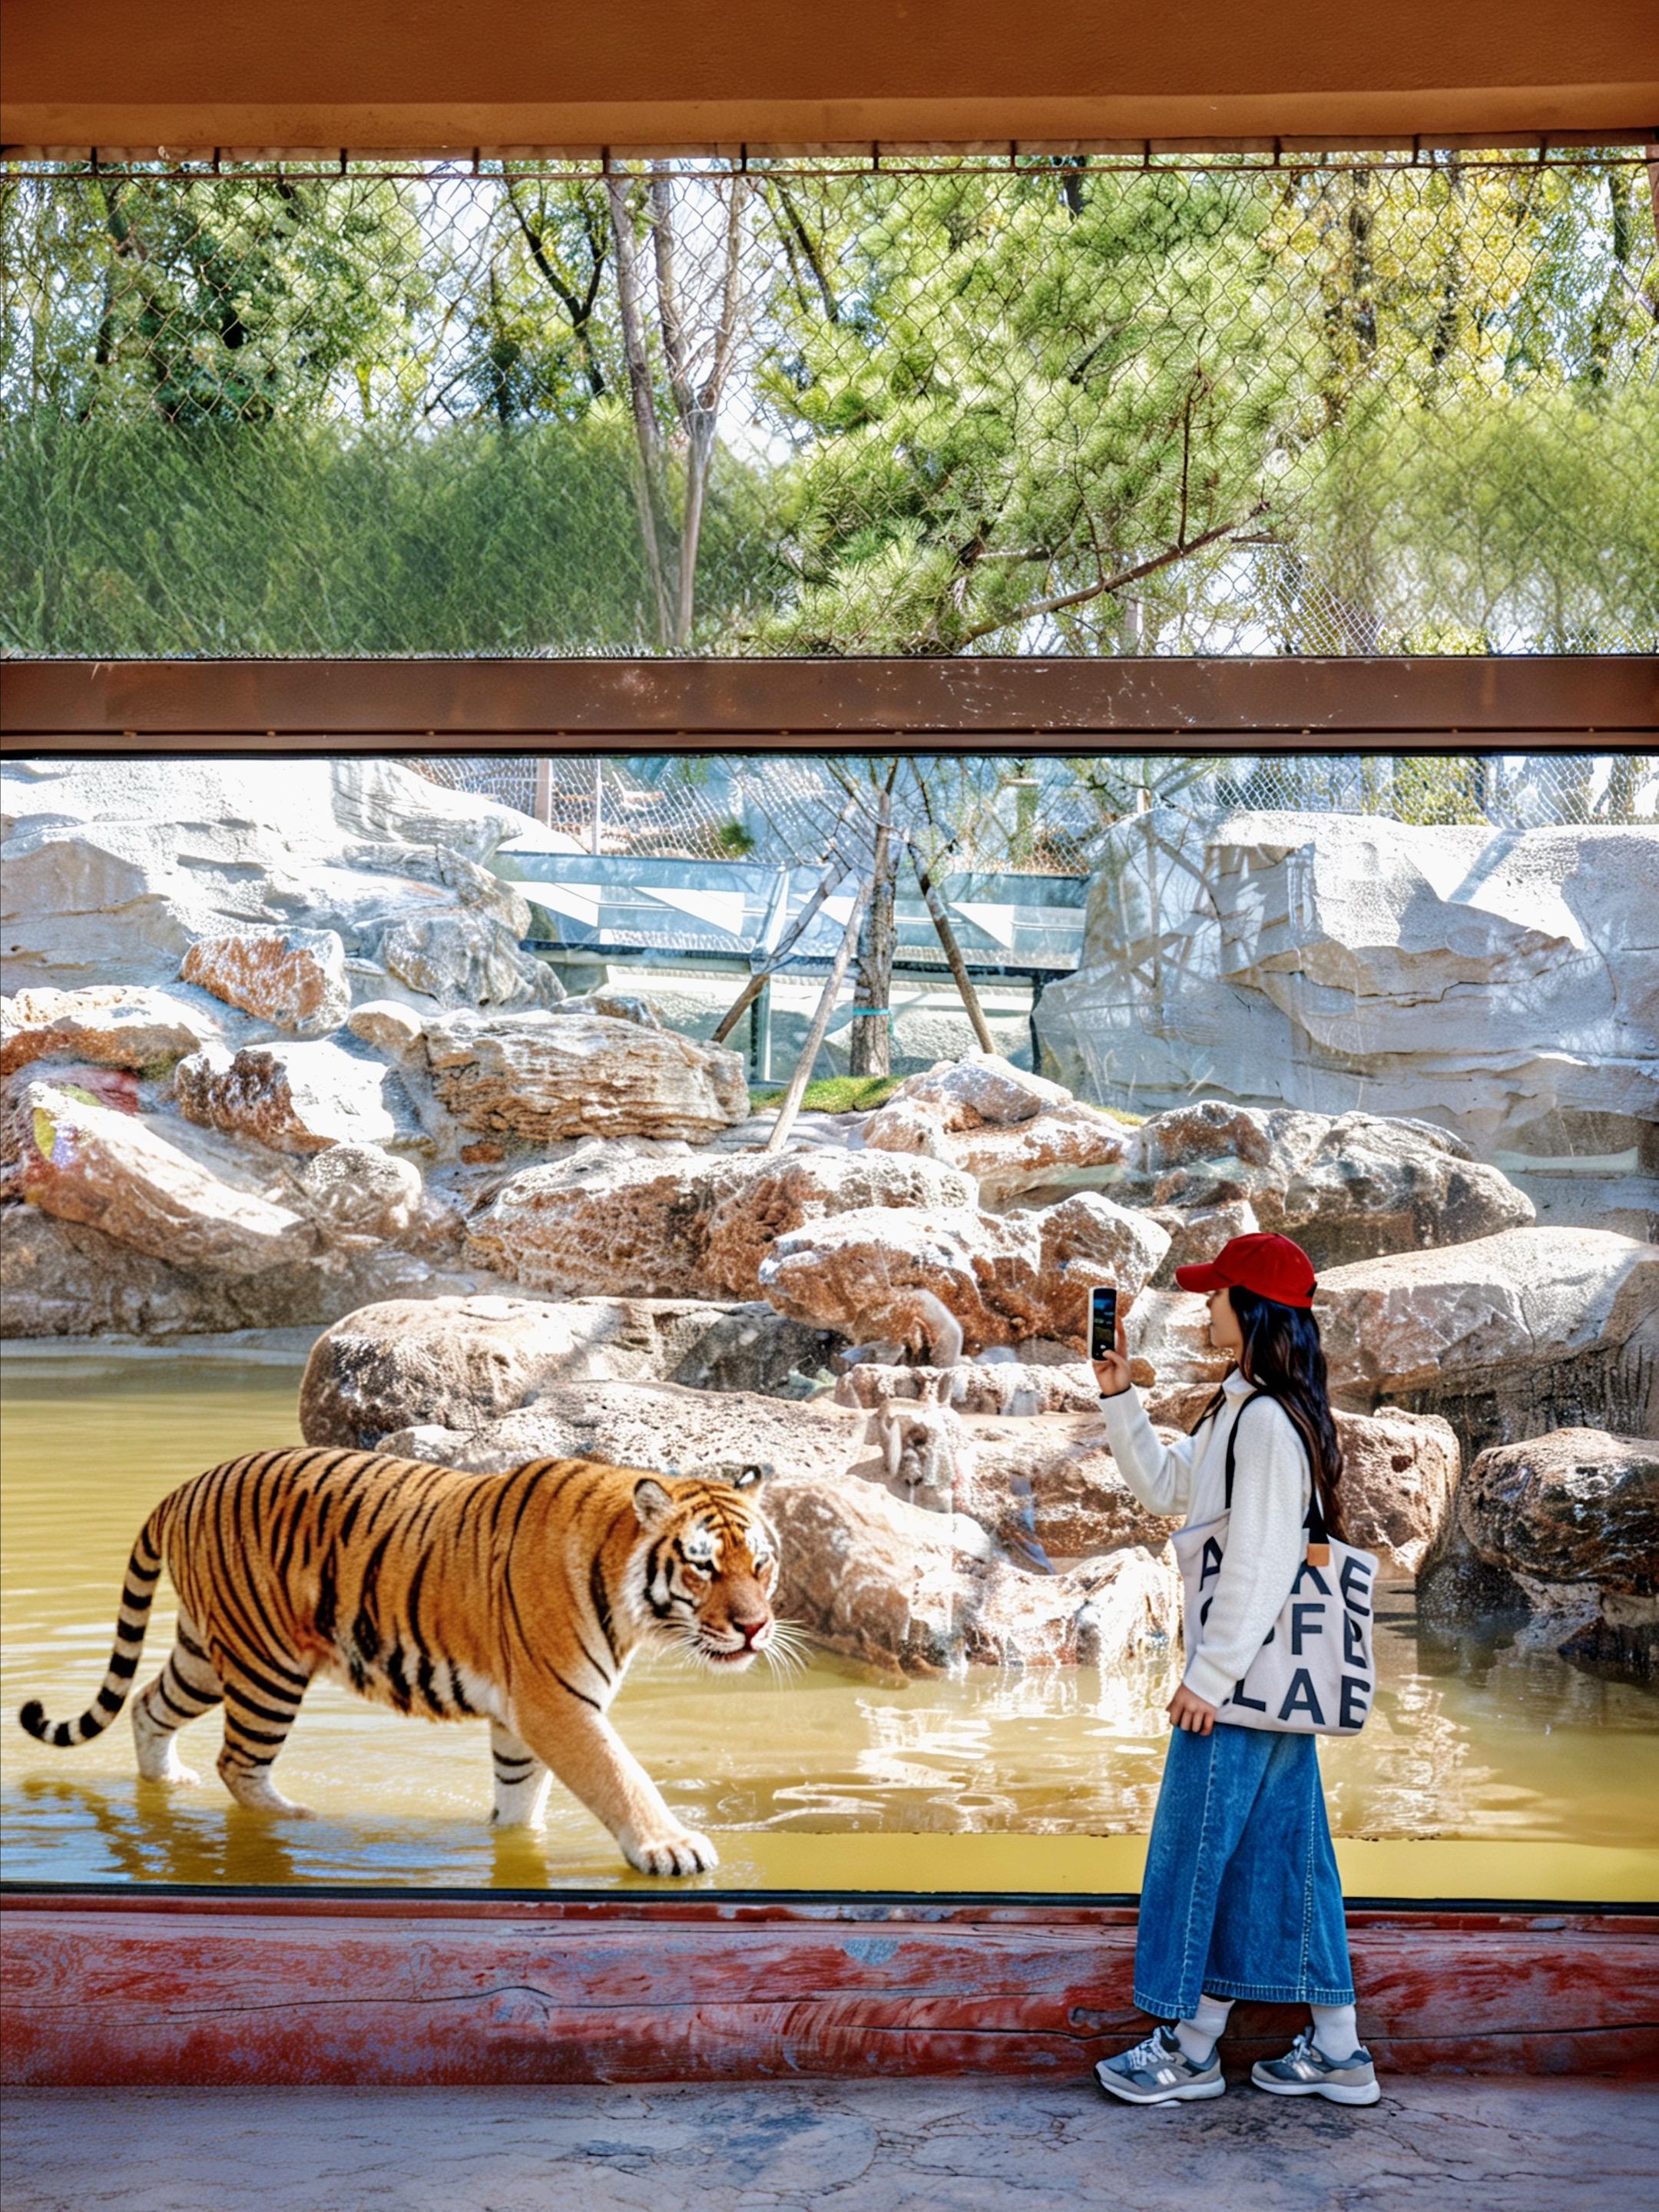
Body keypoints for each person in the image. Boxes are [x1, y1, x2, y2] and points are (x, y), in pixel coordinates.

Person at [1090, 1231, 1381, 2108]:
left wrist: (1206, 1681)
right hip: (1271, 1685)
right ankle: (1338, 2049)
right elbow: (1168, 1490)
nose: (1204, 1306)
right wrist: (1117, 1398)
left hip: (1241, 1687)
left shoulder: (1262, 1422)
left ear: (1249, 1310)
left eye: (1216, 1295)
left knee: (1195, 1856)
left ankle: (1187, 2046)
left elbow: (1257, 1563)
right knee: (1289, 1863)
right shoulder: (1245, 1407)